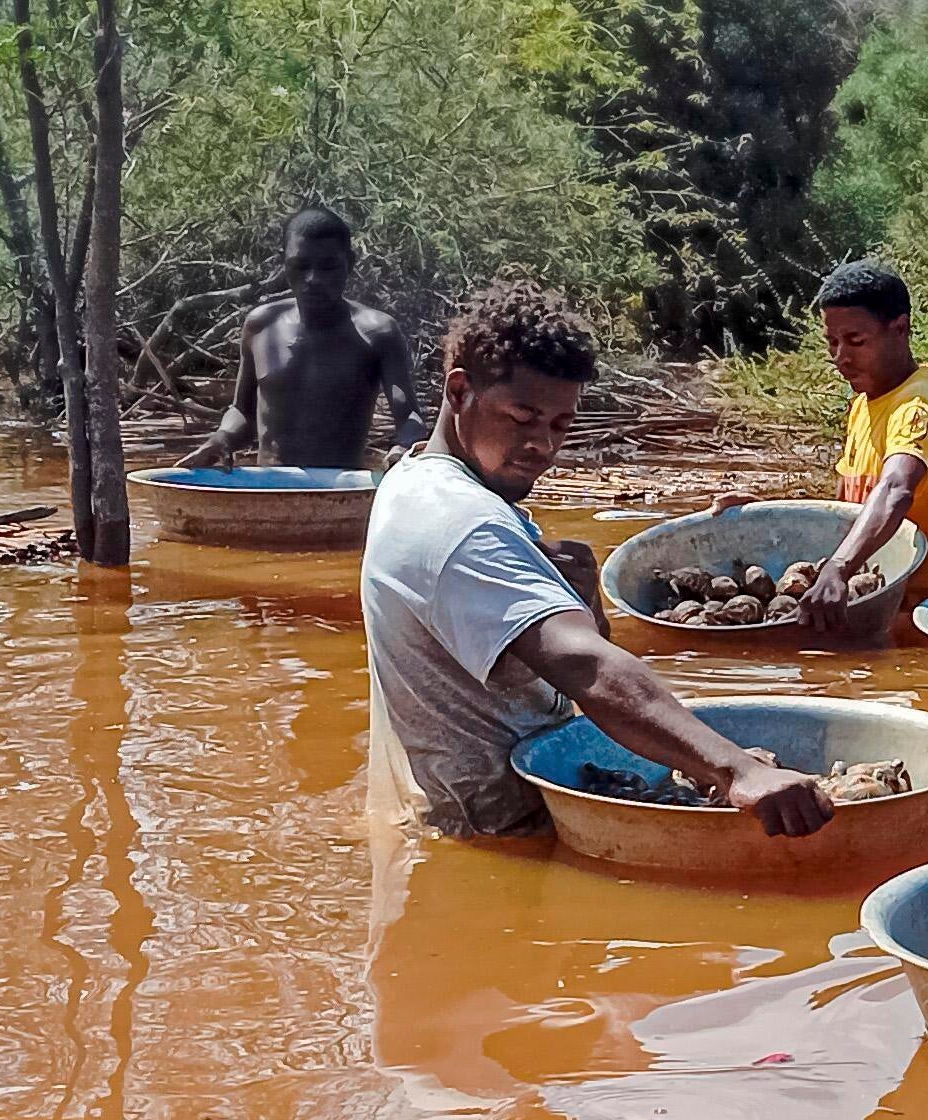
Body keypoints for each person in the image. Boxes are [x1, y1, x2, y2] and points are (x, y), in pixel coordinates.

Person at [362, 279, 833, 844]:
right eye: (521, 416)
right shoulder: (463, 522)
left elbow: (566, 655)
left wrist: (577, 598)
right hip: (497, 834)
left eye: (559, 425)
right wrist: (738, 770)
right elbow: (587, 667)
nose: (542, 444)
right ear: (459, 391)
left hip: (446, 816)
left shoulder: (416, 478)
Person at [801, 257, 928, 651]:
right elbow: (844, 515)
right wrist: (762, 515)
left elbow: (895, 490)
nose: (841, 357)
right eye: (832, 343)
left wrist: (838, 568)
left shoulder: (916, 404)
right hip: (862, 606)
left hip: (908, 621)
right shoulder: (863, 403)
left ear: (900, 329)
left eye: (856, 341)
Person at [188, 205, 423, 471]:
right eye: (300, 266)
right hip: (269, 489)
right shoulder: (261, 325)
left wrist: (405, 447)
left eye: (328, 267)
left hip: (339, 493)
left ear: (350, 263)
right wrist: (222, 438)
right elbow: (242, 411)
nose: (313, 279)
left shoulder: (377, 332)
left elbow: (409, 417)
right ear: (284, 262)